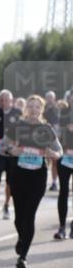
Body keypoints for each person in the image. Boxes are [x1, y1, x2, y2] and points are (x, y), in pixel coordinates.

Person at [0, 95, 63, 268]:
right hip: (18, 176)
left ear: (41, 110)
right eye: (31, 106)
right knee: (19, 218)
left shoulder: (46, 129)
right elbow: (1, 147)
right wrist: (13, 150)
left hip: (37, 177)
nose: (34, 110)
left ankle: (23, 256)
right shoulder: (17, 127)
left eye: (37, 107)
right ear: (26, 108)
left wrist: (53, 154)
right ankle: (22, 238)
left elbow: (59, 151)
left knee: (29, 216)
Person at [0, 90, 22, 220]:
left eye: (6, 100)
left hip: (12, 152)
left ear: (11, 101)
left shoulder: (17, 113)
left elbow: (21, 129)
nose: (3, 102)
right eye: (1, 100)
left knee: (10, 182)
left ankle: (6, 206)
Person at [55, 97, 73, 240]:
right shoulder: (63, 113)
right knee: (64, 191)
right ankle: (61, 227)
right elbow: (56, 134)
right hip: (65, 158)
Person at [45, 91, 61, 191]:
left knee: (55, 161)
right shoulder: (42, 110)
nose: (50, 99)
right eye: (48, 98)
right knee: (46, 161)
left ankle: (54, 182)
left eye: (51, 98)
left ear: (54, 99)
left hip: (55, 138)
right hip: (43, 138)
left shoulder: (58, 110)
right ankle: (45, 180)